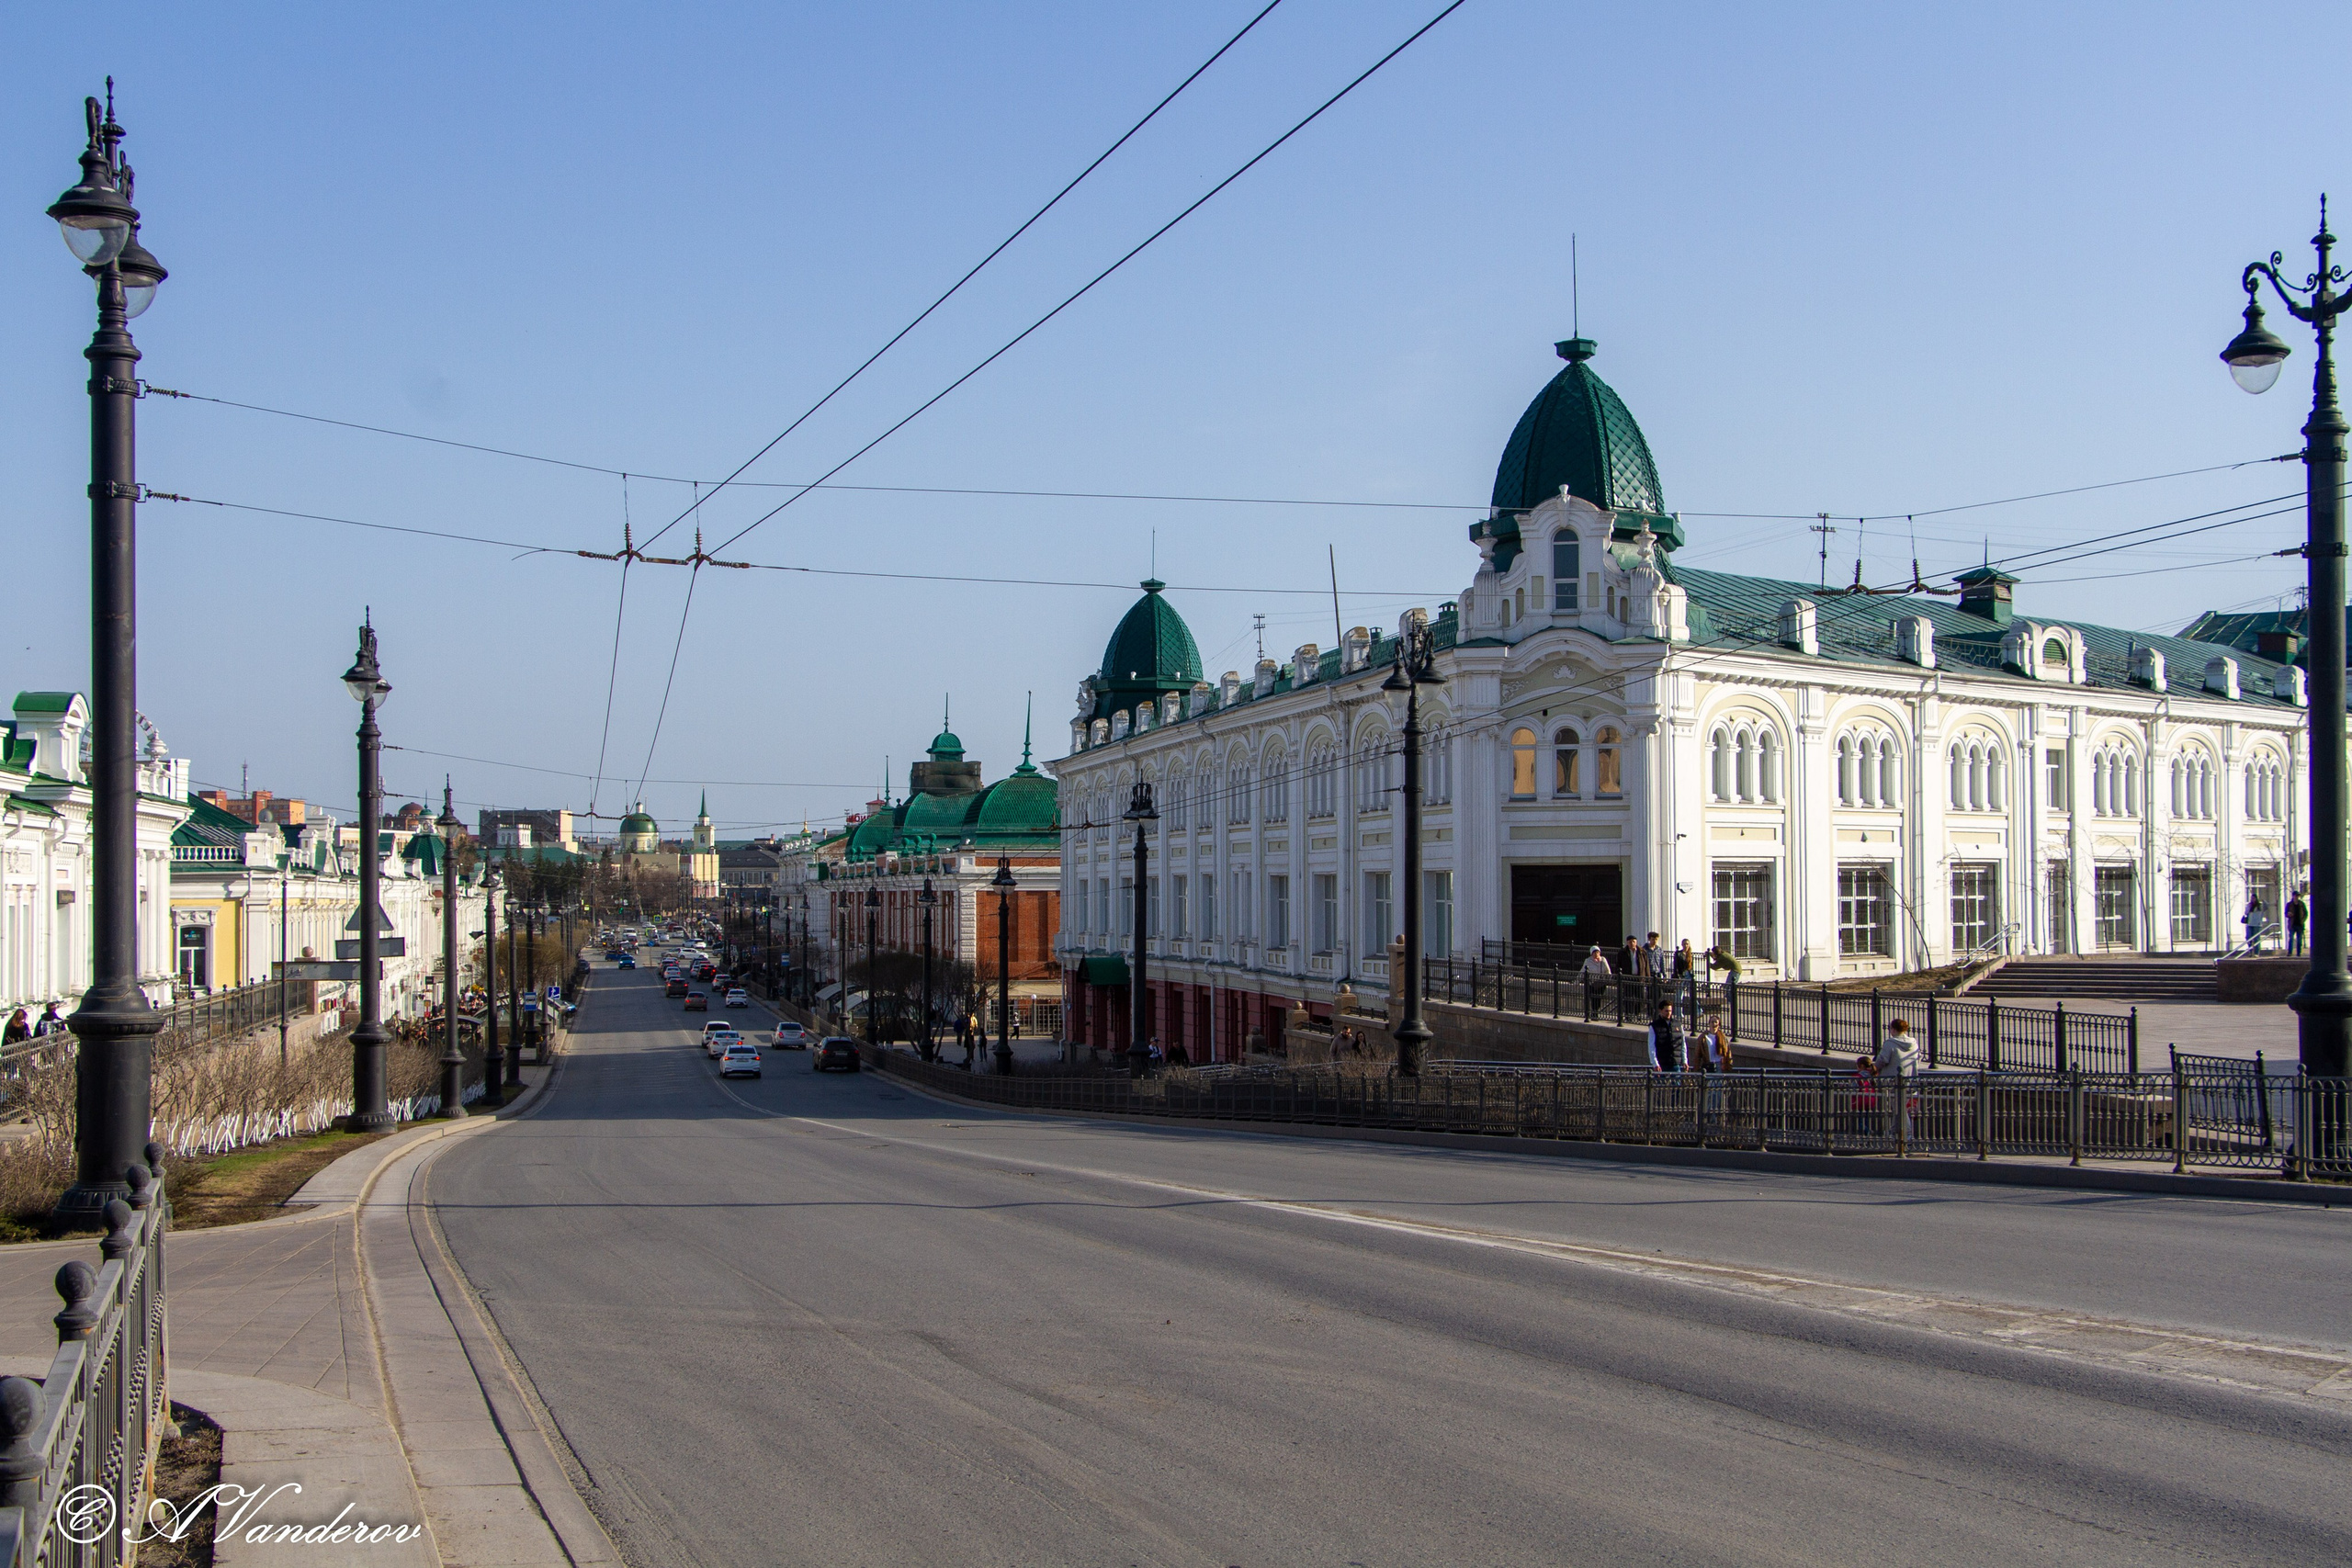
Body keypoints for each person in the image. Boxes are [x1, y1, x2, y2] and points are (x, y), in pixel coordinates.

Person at [1873, 1018, 1920, 1141]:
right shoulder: (1913, 1042)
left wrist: (1874, 1068)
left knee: (1900, 1107)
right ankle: (1894, 1131)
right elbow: (1918, 1058)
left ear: (1893, 1029)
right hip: (1910, 1078)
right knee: (1899, 1106)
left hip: (1893, 1081)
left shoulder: (1890, 1043)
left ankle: (1908, 1134)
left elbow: (1883, 1059)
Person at [1645, 1003, 1681, 1073]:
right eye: (1666, 1011)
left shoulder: (1678, 1024)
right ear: (1660, 1011)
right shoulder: (1654, 1026)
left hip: (1675, 1063)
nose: (1669, 1013)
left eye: (1670, 1011)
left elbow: (1682, 1044)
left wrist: (1685, 1061)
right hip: (1661, 1064)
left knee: (1677, 1083)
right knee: (1661, 1083)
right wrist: (1655, 1064)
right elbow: (1651, 1046)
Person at [1580, 944, 1611, 1020]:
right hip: (1592, 983)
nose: (1596, 954)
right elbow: (1582, 972)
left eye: (1598, 952)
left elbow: (1608, 971)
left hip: (1601, 984)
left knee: (1598, 998)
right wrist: (1576, 981)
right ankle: (1594, 1013)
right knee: (1593, 998)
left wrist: (1609, 979)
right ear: (1591, 953)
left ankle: (1596, 1011)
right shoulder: (1588, 961)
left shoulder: (1603, 960)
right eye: (1594, 953)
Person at [2287, 889, 2310, 957]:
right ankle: (2290, 952)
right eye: (2296, 896)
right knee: (2291, 939)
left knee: (2299, 940)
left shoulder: (2301, 904)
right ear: (2293, 896)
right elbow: (2286, 913)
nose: (2297, 897)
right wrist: (2288, 914)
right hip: (2292, 924)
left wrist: (2303, 920)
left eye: (2298, 896)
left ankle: (2299, 953)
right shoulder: (2289, 904)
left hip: (2300, 924)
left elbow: (2306, 913)